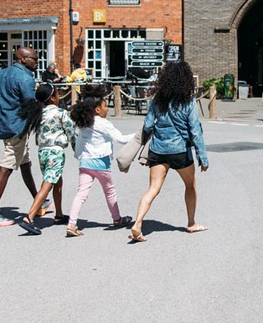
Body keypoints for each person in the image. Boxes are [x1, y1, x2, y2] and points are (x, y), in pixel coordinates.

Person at [130, 60, 209, 242]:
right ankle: (191, 223)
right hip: (180, 150)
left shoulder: (157, 99)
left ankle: (138, 224)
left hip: (158, 149)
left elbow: (148, 125)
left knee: (153, 189)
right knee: (190, 185)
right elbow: (195, 131)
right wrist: (202, 157)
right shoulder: (188, 102)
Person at [0, 46, 40, 227]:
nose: (37, 61)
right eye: (34, 58)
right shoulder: (25, 77)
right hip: (17, 128)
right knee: (6, 167)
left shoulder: (0, 74)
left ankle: (39, 201)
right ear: (23, 59)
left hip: (3, 125)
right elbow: (30, 106)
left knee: (25, 162)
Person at [65, 86, 133, 236]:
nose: (106, 109)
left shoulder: (84, 123)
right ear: (97, 109)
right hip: (102, 163)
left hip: (85, 163)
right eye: (104, 105)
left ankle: (71, 224)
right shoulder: (103, 123)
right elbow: (120, 139)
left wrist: (78, 156)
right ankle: (117, 219)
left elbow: (80, 143)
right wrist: (140, 135)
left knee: (81, 194)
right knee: (109, 191)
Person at [17, 81, 73, 234]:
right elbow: (70, 130)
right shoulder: (60, 113)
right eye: (56, 94)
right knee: (48, 184)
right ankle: (30, 216)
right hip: (56, 151)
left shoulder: (39, 112)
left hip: (43, 151)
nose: (59, 95)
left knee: (57, 181)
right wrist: (76, 148)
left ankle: (59, 214)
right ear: (53, 99)